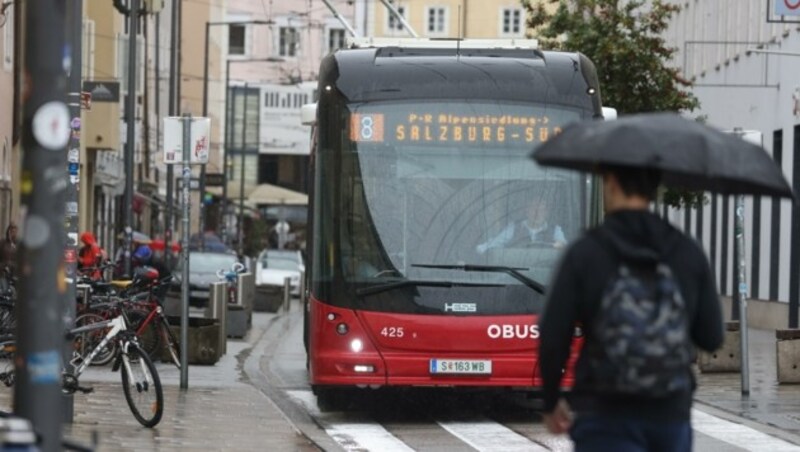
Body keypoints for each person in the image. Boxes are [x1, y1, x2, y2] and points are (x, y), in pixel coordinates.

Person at [538, 165, 724, 451]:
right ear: (654, 188)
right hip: (669, 414)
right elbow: (711, 336)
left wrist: (551, 401)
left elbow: (553, 335)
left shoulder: (586, 251)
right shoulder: (686, 251)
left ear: (611, 182)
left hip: (604, 412)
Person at [476, 198, 566, 254]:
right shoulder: (514, 228)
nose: (537, 213)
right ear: (527, 211)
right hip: (517, 276)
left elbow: (564, 247)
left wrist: (557, 246)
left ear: (546, 213)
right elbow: (493, 244)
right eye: (533, 209)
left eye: (541, 210)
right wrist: (480, 251)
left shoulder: (555, 230)